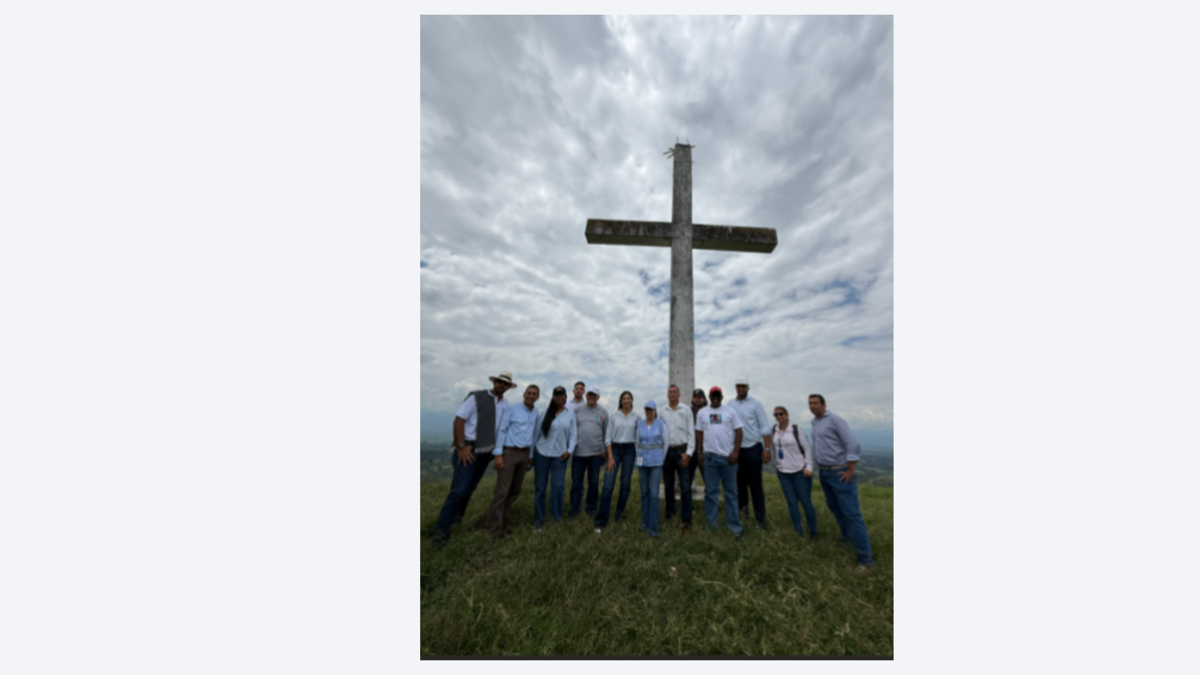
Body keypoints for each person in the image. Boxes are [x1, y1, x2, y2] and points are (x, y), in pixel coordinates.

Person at [431, 371, 515, 548]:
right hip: (469, 448)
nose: (501, 385)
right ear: (494, 382)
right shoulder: (476, 397)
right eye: (499, 381)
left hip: (486, 451)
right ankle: (440, 534)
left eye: (505, 383)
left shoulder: (505, 403)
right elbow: (458, 421)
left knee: (469, 488)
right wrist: (461, 446)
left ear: (508, 387)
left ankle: (456, 522)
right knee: (459, 490)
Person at [809, 394, 874, 569]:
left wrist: (851, 467)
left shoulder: (835, 420)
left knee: (852, 514)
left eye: (816, 403)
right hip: (824, 472)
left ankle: (865, 558)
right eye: (810, 403)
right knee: (836, 509)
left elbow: (852, 443)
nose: (812, 406)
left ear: (824, 405)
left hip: (840, 472)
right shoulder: (815, 423)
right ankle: (847, 539)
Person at [485, 384, 541, 540]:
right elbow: (502, 430)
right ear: (524, 394)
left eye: (534, 394)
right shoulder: (512, 409)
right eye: (529, 393)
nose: (531, 395)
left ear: (537, 397)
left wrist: (530, 455)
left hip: (524, 455)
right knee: (502, 492)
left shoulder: (535, 412)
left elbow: (533, 435)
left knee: (515, 490)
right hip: (509, 453)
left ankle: (502, 523)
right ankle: (492, 529)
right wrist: (498, 454)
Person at [695, 386, 744, 539]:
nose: (715, 398)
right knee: (711, 493)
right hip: (709, 458)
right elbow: (699, 432)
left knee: (731, 493)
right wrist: (699, 452)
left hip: (728, 458)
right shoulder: (702, 413)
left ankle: (734, 527)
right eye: (713, 395)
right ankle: (712, 525)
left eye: (718, 395)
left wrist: (736, 452)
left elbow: (739, 431)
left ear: (721, 397)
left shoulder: (730, 411)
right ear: (709, 397)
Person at [727, 377, 773, 530]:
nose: (741, 389)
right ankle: (744, 516)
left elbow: (764, 427)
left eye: (744, 386)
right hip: (736, 450)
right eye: (738, 386)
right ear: (735, 387)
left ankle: (761, 521)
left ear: (748, 388)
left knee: (756, 487)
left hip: (753, 448)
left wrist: (767, 449)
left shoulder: (756, 404)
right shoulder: (730, 404)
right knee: (740, 486)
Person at [531, 386, 577, 530]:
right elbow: (536, 435)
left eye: (561, 394)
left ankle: (557, 516)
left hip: (560, 455)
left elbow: (574, 435)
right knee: (540, 487)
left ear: (565, 397)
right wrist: (531, 454)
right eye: (556, 394)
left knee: (558, 486)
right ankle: (539, 519)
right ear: (553, 397)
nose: (558, 397)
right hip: (541, 453)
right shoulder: (545, 413)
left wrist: (569, 451)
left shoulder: (570, 414)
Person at [594, 390, 639, 533]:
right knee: (608, 484)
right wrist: (610, 457)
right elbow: (607, 437)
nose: (626, 400)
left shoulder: (637, 417)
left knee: (625, 484)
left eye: (628, 398)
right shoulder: (614, 416)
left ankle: (619, 514)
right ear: (620, 401)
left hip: (629, 450)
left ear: (632, 400)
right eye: (624, 398)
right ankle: (601, 520)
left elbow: (639, 437)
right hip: (614, 449)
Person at [771, 406, 817, 539]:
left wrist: (809, 467)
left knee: (806, 503)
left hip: (799, 471)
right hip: (783, 472)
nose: (778, 416)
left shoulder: (796, 429)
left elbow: (807, 449)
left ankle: (813, 533)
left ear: (787, 415)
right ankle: (798, 532)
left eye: (781, 414)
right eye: (776, 415)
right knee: (791, 502)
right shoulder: (774, 430)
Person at [660, 384, 697, 533]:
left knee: (685, 487)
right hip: (667, 452)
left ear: (679, 394)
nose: (672, 394)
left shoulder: (686, 410)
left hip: (682, 451)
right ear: (667, 394)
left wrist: (689, 453)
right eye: (670, 392)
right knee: (668, 486)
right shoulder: (662, 411)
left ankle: (686, 520)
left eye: (675, 392)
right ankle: (670, 515)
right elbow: (660, 433)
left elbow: (691, 433)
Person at [568, 387, 608, 519]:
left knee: (594, 482)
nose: (591, 397)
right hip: (579, 453)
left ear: (598, 397)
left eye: (594, 395)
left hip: (596, 453)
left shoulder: (603, 412)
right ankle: (574, 509)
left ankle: (591, 508)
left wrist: (605, 450)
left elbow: (606, 432)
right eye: (589, 394)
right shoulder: (577, 410)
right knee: (576, 483)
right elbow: (572, 429)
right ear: (586, 395)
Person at [636, 400, 669, 538]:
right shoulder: (640, 424)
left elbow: (666, 442)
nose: (649, 412)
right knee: (644, 492)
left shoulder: (661, 424)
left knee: (654, 494)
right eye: (647, 410)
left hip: (656, 463)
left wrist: (661, 459)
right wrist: (639, 457)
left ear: (655, 411)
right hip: (643, 463)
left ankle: (654, 528)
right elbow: (637, 443)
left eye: (651, 409)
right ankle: (645, 524)